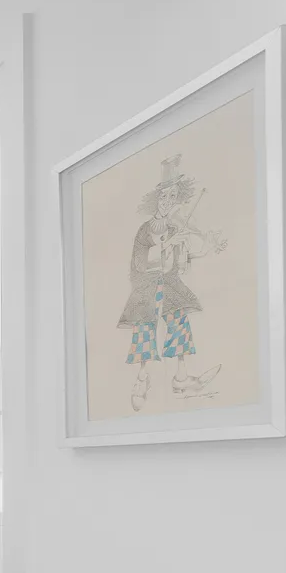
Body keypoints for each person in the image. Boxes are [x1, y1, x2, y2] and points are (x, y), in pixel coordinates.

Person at [117, 155, 229, 411]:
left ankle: (180, 378)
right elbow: (142, 263)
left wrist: (204, 248)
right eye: (164, 197)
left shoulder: (174, 227)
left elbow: (180, 263)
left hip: (169, 283)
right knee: (145, 328)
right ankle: (142, 380)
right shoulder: (147, 228)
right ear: (157, 199)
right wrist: (168, 243)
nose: (168, 202)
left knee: (178, 321)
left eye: (173, 197)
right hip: (147, 285)